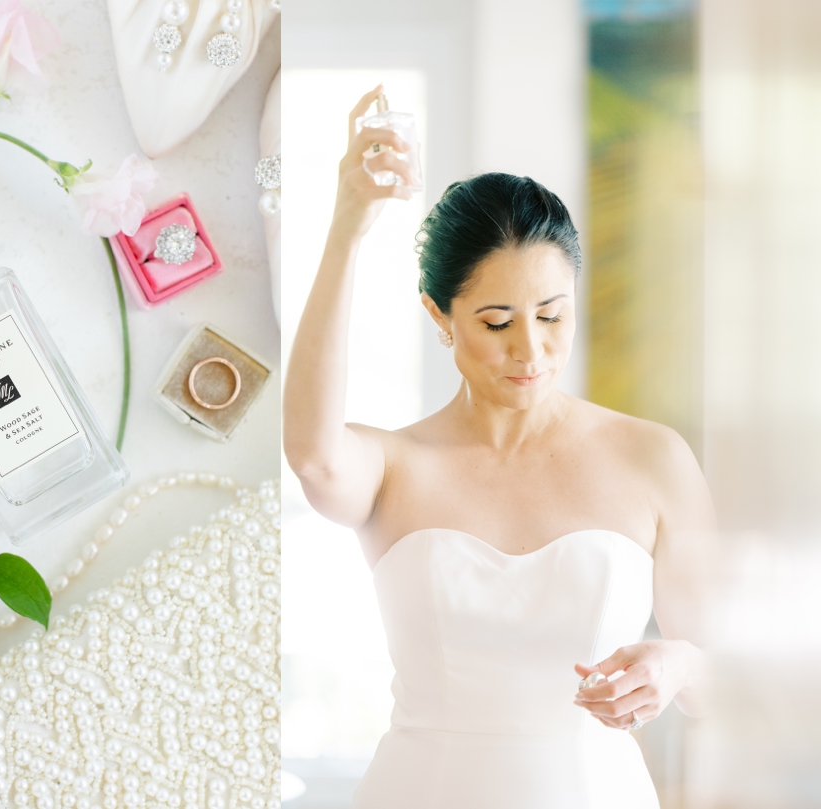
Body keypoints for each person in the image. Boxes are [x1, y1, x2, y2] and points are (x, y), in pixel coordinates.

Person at [282, 86, 714, 807]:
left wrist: (680, 663)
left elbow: (723, 674)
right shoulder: (393, 467)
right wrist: (348, 226)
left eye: (551, 314)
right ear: (439, 316)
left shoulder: (653, 458)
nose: (531, 349)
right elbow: (314, 456)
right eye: (495, 321)